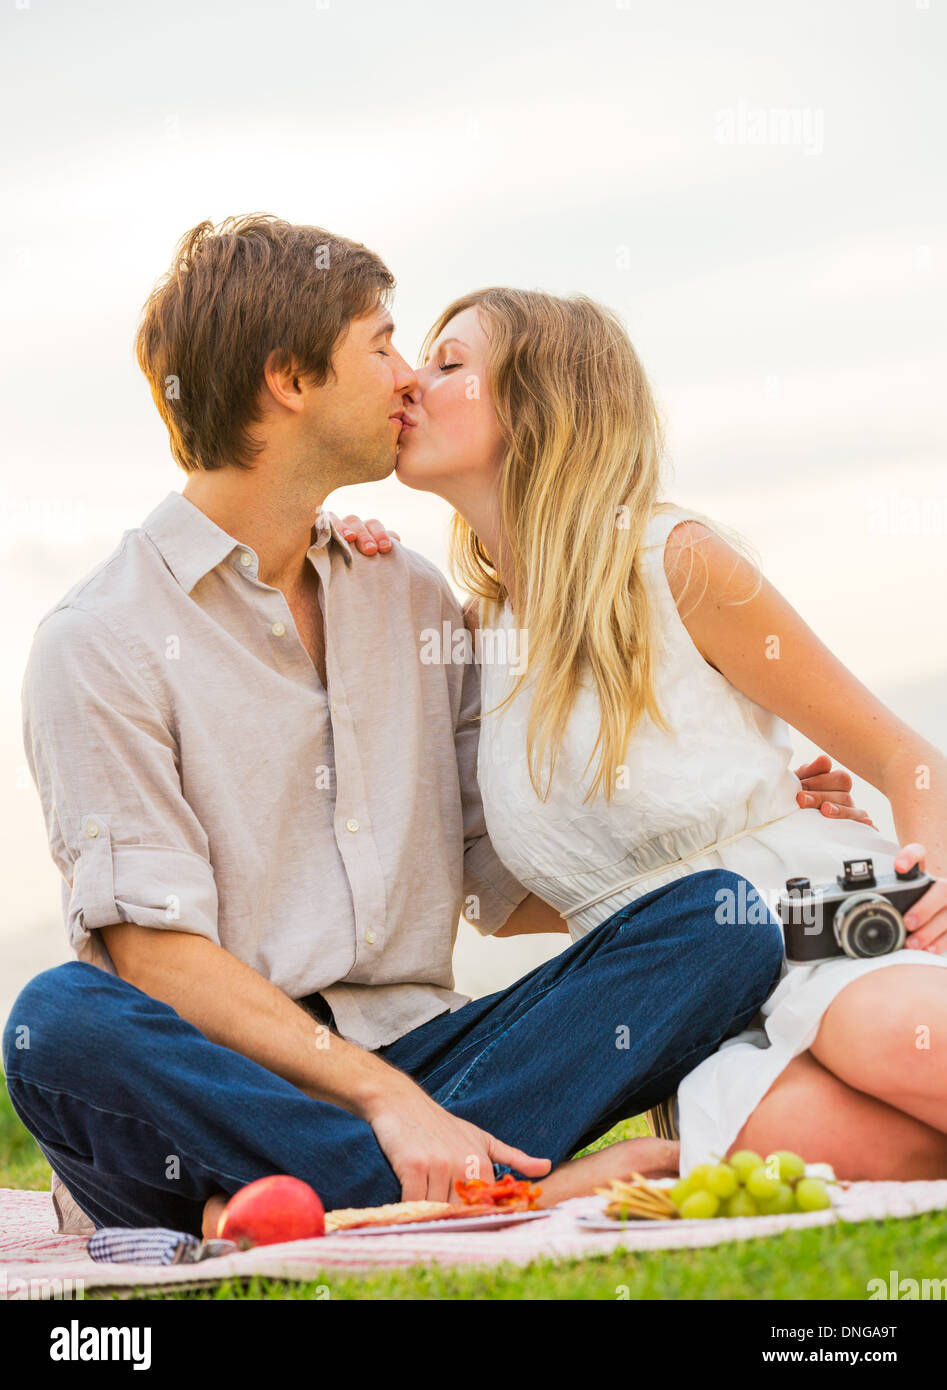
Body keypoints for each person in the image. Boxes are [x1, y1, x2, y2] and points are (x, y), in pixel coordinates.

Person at [4, 215, 801, 1238]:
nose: (405, 377)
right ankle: (480, 1185)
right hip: (228, 1085)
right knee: (56, 1024)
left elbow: (510, 880)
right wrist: (387, 1102)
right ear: (289, 378)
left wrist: (736, 819)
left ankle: (297, 1201)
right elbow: (156, 955)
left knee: (716, 920)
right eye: (379, 344)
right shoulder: (100, 638)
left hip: (441, 1063)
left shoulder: (411, 599)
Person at [390, 285, 947, 1181]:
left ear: (545, 405)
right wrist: (339, 560)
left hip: (813, 904)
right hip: (676, 999)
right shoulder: (468, 639)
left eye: (449, 364)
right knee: (844, 1149)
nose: (411, 382)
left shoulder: (670, 560)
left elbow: (903, 757)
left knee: (892, 1046)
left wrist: (932, 875)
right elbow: (505, 897)